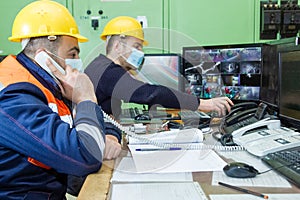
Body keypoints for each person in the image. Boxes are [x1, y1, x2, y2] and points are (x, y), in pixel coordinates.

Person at [0, 1, 106, 199]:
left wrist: (109, 135)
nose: (76, 63)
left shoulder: (44, 87)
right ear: (44, 58)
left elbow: (90, 131)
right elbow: (86, 156)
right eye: (72, 54)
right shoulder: (14, 98)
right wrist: (85, 98)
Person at [85, 16, 234, 151]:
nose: (141, 52)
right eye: (136, 46)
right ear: (117, 46)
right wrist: (204, 104)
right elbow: (149, 94)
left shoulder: (101, 66)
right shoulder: (107, 71)